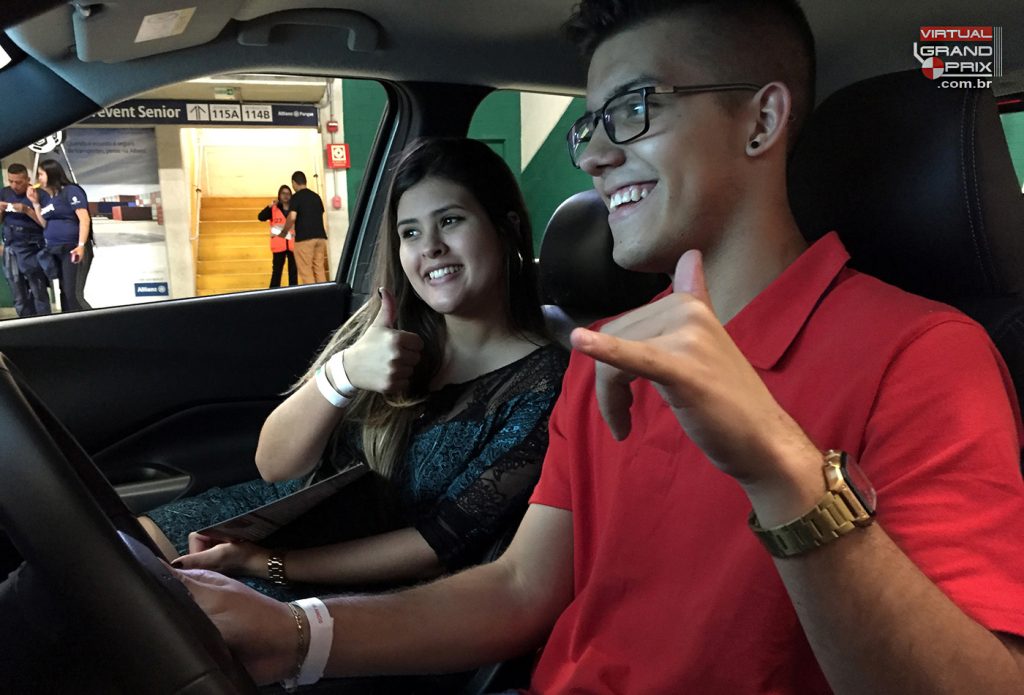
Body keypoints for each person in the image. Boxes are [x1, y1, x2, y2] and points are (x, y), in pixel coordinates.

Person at [175, 1, 1024, 692]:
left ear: (762, 119)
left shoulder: (925, 355)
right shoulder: (607, 351)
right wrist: (296, 633)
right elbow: (520, 587)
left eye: (635, 109)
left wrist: (785, 473)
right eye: (589, 126)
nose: (597, 156)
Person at [143, 137, 567, 607]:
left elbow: (439, 544)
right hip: (263, 520)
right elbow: (274, 466)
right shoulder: (384, 325)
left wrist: (266, 562)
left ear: (506, 228)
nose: (430, 247)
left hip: (345, 579)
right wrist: (343, 373)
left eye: (450, 221)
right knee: (113, 556)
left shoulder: (544, 383)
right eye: (410, 233)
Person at [30, 159, 93, 312]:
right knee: (64, 293)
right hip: (55, 250)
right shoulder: (49, 197)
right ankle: (70, 324)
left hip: (73, 249)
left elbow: (84, 219)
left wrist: (81, 245)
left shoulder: (71, 191)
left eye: (41, 174)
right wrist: (35, 204)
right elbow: (44, 224)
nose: (39, 179)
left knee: (73, 295)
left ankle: (95, 323)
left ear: (51, 174)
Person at [0, 163, 51, 317]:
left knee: (38, 291)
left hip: (32, 247)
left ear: (28, 180)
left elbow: (46, 224)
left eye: (19, 182)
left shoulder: (39, 194)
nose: (14, 186)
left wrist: (27, 210)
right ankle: (26, 324)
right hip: (10, 246)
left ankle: (45, 325)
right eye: (11, 181)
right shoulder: (4, 193)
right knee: (18, 294)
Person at [281, 170, 329, 284]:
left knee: (306, 271)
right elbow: (320, 214)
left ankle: (312, 295)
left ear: (294, 183)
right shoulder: (316, 197)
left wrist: (284, 231)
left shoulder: (296, 197)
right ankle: (324, 293)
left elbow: (292, 217)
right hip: (320, 238)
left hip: (304, 239)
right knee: (319, 269)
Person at [258, 184, 297, 288]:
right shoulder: (273, 209)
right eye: (283, 193)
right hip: (279, 246)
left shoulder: (295, 209)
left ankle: (294, 294)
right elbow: (260, 217)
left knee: (293, 273)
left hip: (293, 245)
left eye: (288, 193)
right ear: (279, 195)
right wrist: (269, 206)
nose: (286, 196)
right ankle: (273, 294)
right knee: (277, 273)